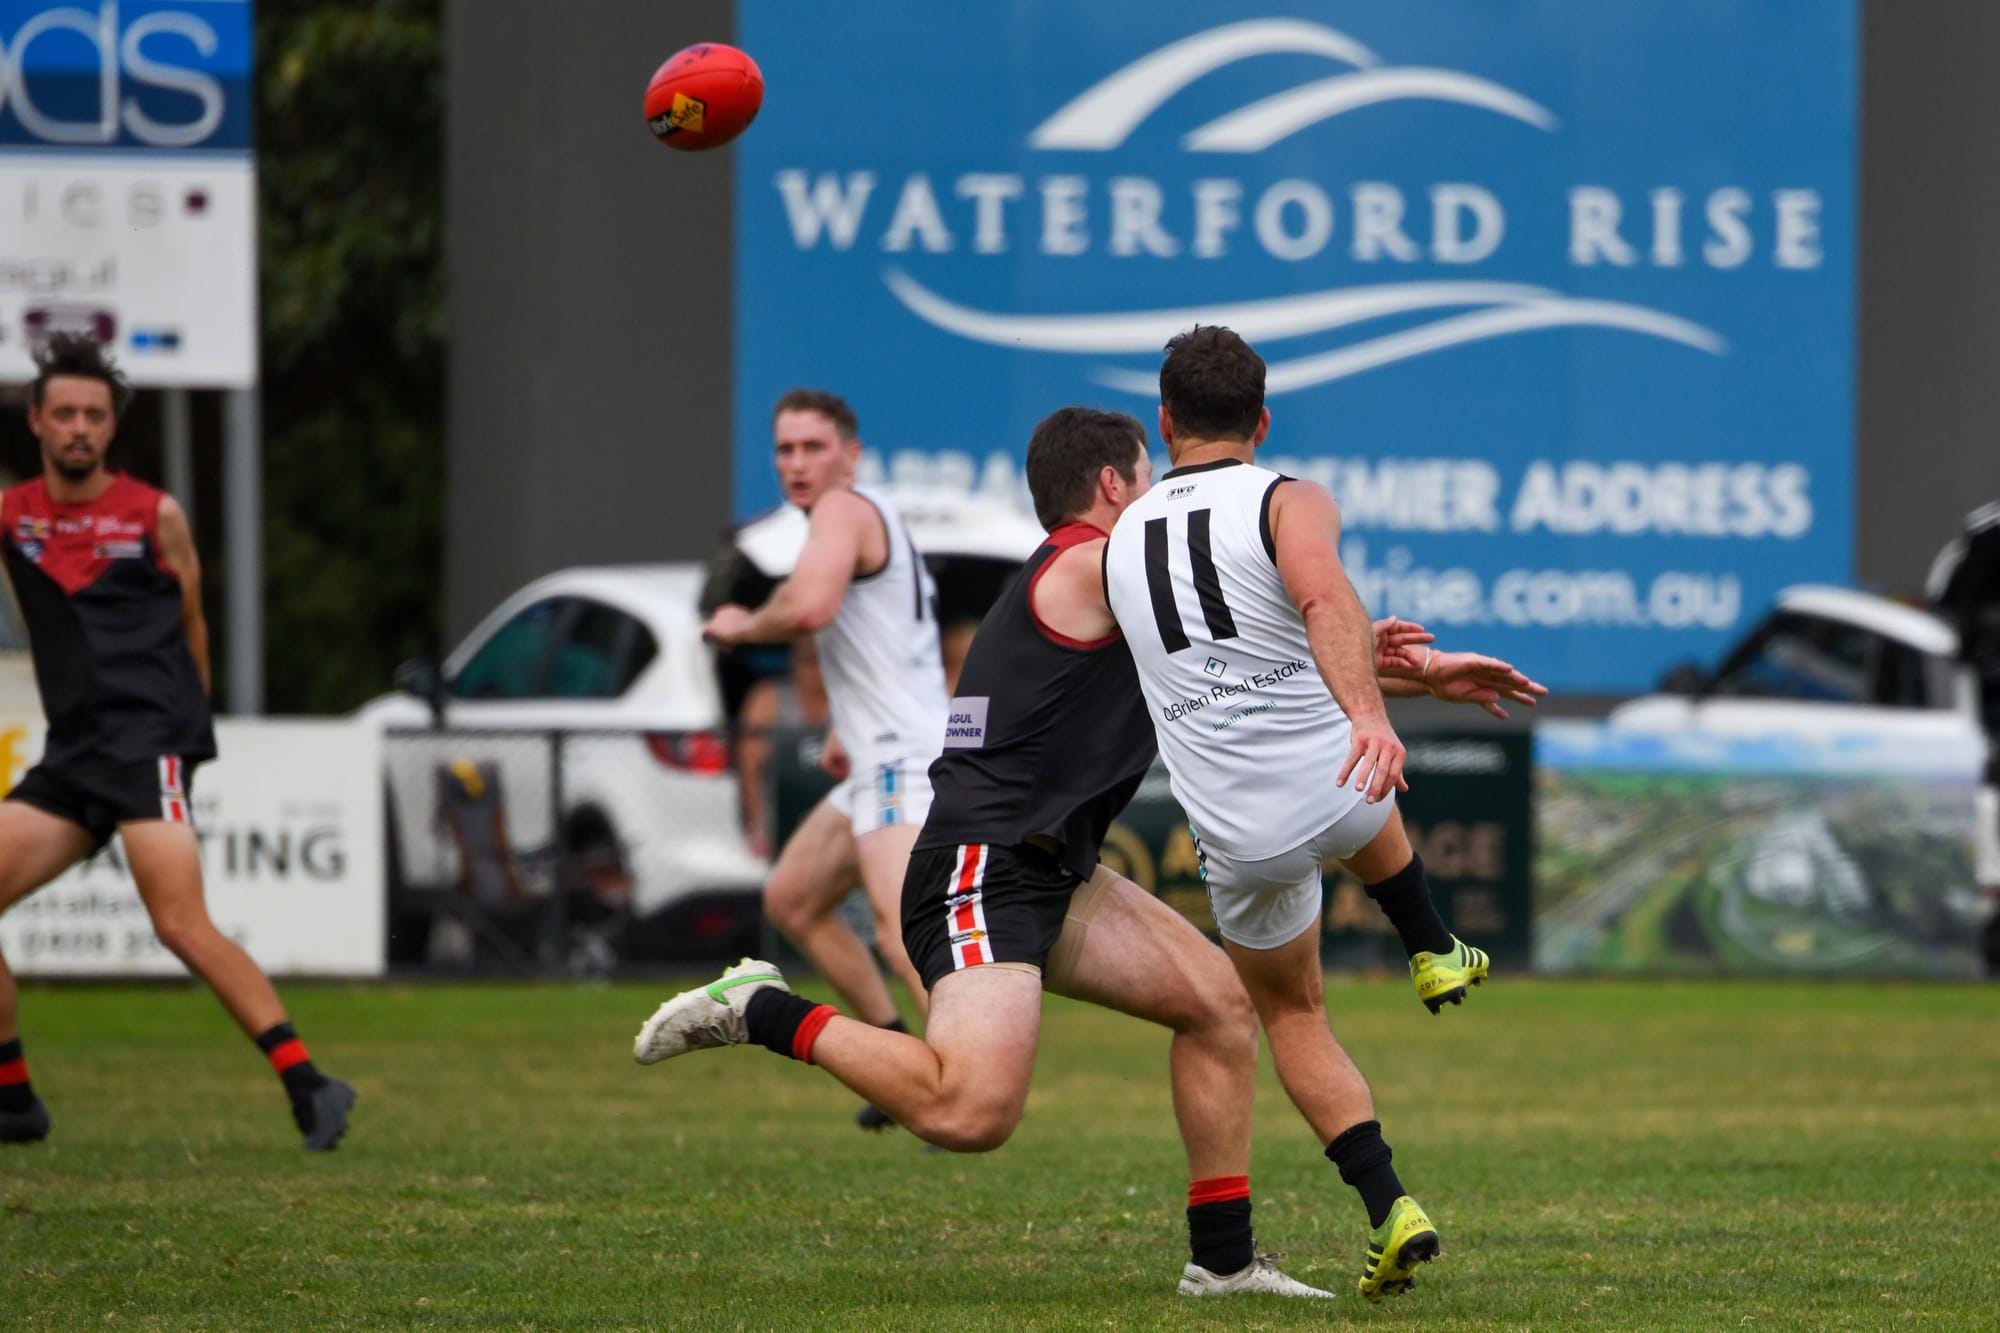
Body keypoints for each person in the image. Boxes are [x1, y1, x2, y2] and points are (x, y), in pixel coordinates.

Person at [635, 407, 1537, 1297]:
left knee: (1222, 1005)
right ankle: (762, 1009)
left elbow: (1234, 646)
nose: (1158, 495)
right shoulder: (1093, 563)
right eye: (1147, 478)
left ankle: (1220, 1260)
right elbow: (1241, 624)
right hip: (981, 867)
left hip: (1052, 869)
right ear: (1113, 485)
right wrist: (1392, 663)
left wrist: (1411, 670)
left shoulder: (1123, 579)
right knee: (970, 1112)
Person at [1102, 324, 1545, 1300]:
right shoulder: (1287, 495)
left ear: (1164, 422)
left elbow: (1248, 646)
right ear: (1260, 421)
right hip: (1340, 781)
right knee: (1347, 793)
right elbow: (1322, 603)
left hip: (1238, 828)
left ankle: (1389, 1202)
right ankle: (1427, 940)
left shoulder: (1117, 536)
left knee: (1293, 1015)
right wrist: (1391, 698)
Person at [0, 335, 354, 1151]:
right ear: (37, 422)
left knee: (181, 925)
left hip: (147, 743)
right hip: (74, 754)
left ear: (112, 426)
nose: (80, 427)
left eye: (95, 413)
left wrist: (186, 733)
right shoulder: (14, 516)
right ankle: (15, 1099)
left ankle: (311, 1084)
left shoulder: (153, 513)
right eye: (65, 413)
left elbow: (192, 617)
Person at [699, 389, 945, 1129]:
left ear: (851, 454)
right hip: (879, 754)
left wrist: (745, 623)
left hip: (903, 760)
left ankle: (963, 1079)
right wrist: (844, 725)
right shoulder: (852, 519)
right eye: (785, 449)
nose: (798, 463)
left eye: (814, 447)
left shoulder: (842, 510)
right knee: (793, 898)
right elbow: (882, 644)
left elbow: (809, 609)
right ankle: (894, 1056)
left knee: (903, 933)